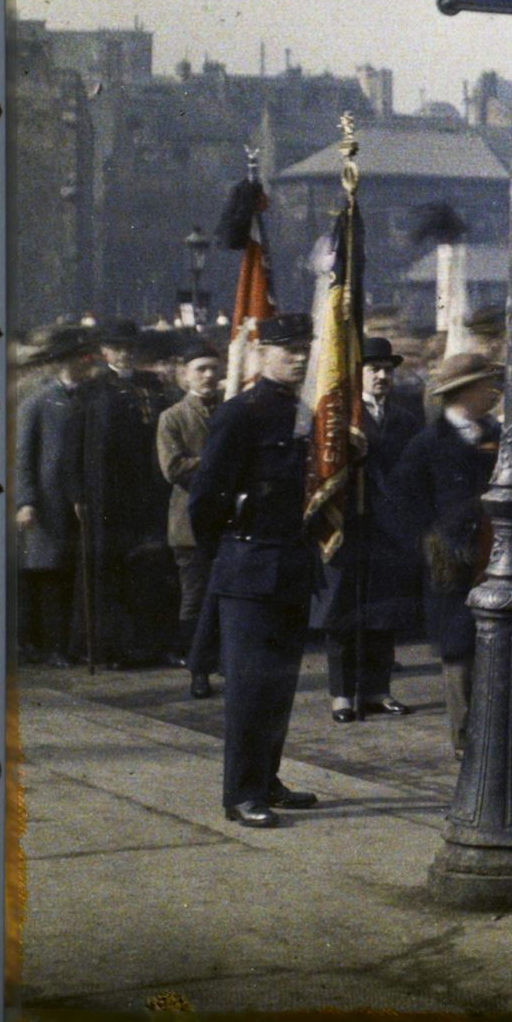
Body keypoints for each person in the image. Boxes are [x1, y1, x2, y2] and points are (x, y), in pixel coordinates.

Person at [188, 313, 322, 828]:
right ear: (261, 352)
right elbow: (206, 499)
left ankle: (267, 779)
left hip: (291, 564)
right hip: (248, 566)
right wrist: (228, 553)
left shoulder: (304, 411)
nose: (299, 357)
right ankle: (240, 794)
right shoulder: (240, 413)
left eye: (304, 348)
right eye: (287, 349)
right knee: (247, 688)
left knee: (280, 686)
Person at [394, 351, 504, 755]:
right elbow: (404, 501)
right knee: (459, 648)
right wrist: (432, 541)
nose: (492, 393)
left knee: (495, 643)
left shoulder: (496, 434)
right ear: (463, 392)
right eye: (484, 386)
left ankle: (493, 730)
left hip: (493, 552)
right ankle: (465, 738)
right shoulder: (428, 443)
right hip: (451, 559)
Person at [313, 337, 423, 722]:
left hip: (389, 528)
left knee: (383, 612)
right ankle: (342, 695)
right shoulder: (340, 419)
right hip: (349, 525)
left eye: (387, 370)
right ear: (357, 374)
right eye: (374, 369)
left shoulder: (407, 418)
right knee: (343, 612)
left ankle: (377, 690)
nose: (381, 376)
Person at [82, 320, 176, 667]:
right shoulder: (96, 390)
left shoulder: (150, 386)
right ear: (105, 351)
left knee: (149, 570)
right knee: (113, 571)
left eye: (128, 347)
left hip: (148, 489)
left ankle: (149, 644)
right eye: (116, 347)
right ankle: (114, 648)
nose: (123, 353)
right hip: (110, 493)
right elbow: (88, 448)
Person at [15, 326, 92, 668]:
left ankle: (65, 643)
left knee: (70, 576)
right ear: (63, 363)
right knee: (48, 576)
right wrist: (25, 501)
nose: (85, 363)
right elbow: (24, 456)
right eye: (78, 358)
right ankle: (46, 645)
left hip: (79, 501)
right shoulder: (38, 402)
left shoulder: (89, 397)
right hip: (47, 503)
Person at [158, 339, 225, 696]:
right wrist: (215, 461)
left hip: (229, 519)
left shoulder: (230, 410)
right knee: (195, 597)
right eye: (201, 369)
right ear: (185, 376)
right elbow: (174, 467)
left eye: (214, 368)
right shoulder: (172, 418)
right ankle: (197, 670)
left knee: (227, 595)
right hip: (190, 524)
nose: (209, 375)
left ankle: (225, 663)